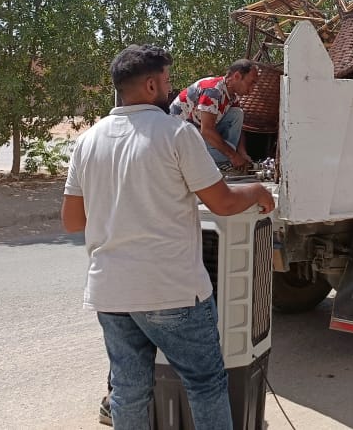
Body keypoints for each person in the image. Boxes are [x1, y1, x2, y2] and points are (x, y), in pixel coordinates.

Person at [62, 44, 275, 429]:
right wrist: (257, 192)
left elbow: (73, 221)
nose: (170, 89)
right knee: (206, 383)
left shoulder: (87, 142)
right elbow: (224, 204)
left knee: (128, 389)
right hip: (171, 291)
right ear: (149, 85)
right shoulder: (177, 134)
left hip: (111, 291)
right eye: (166, 81)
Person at [170, 59, 259, 173]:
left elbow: (239, 128)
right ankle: (223, 161)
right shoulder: (212, 91)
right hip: (178, 139)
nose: (252, 89)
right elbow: (207, 131)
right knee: (228, 153)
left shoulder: (231, 97)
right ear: (236, 76)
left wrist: (242, 153)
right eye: (251, 83)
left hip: (197, 133)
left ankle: (225, 159)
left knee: (237, 114)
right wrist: (233, 156)